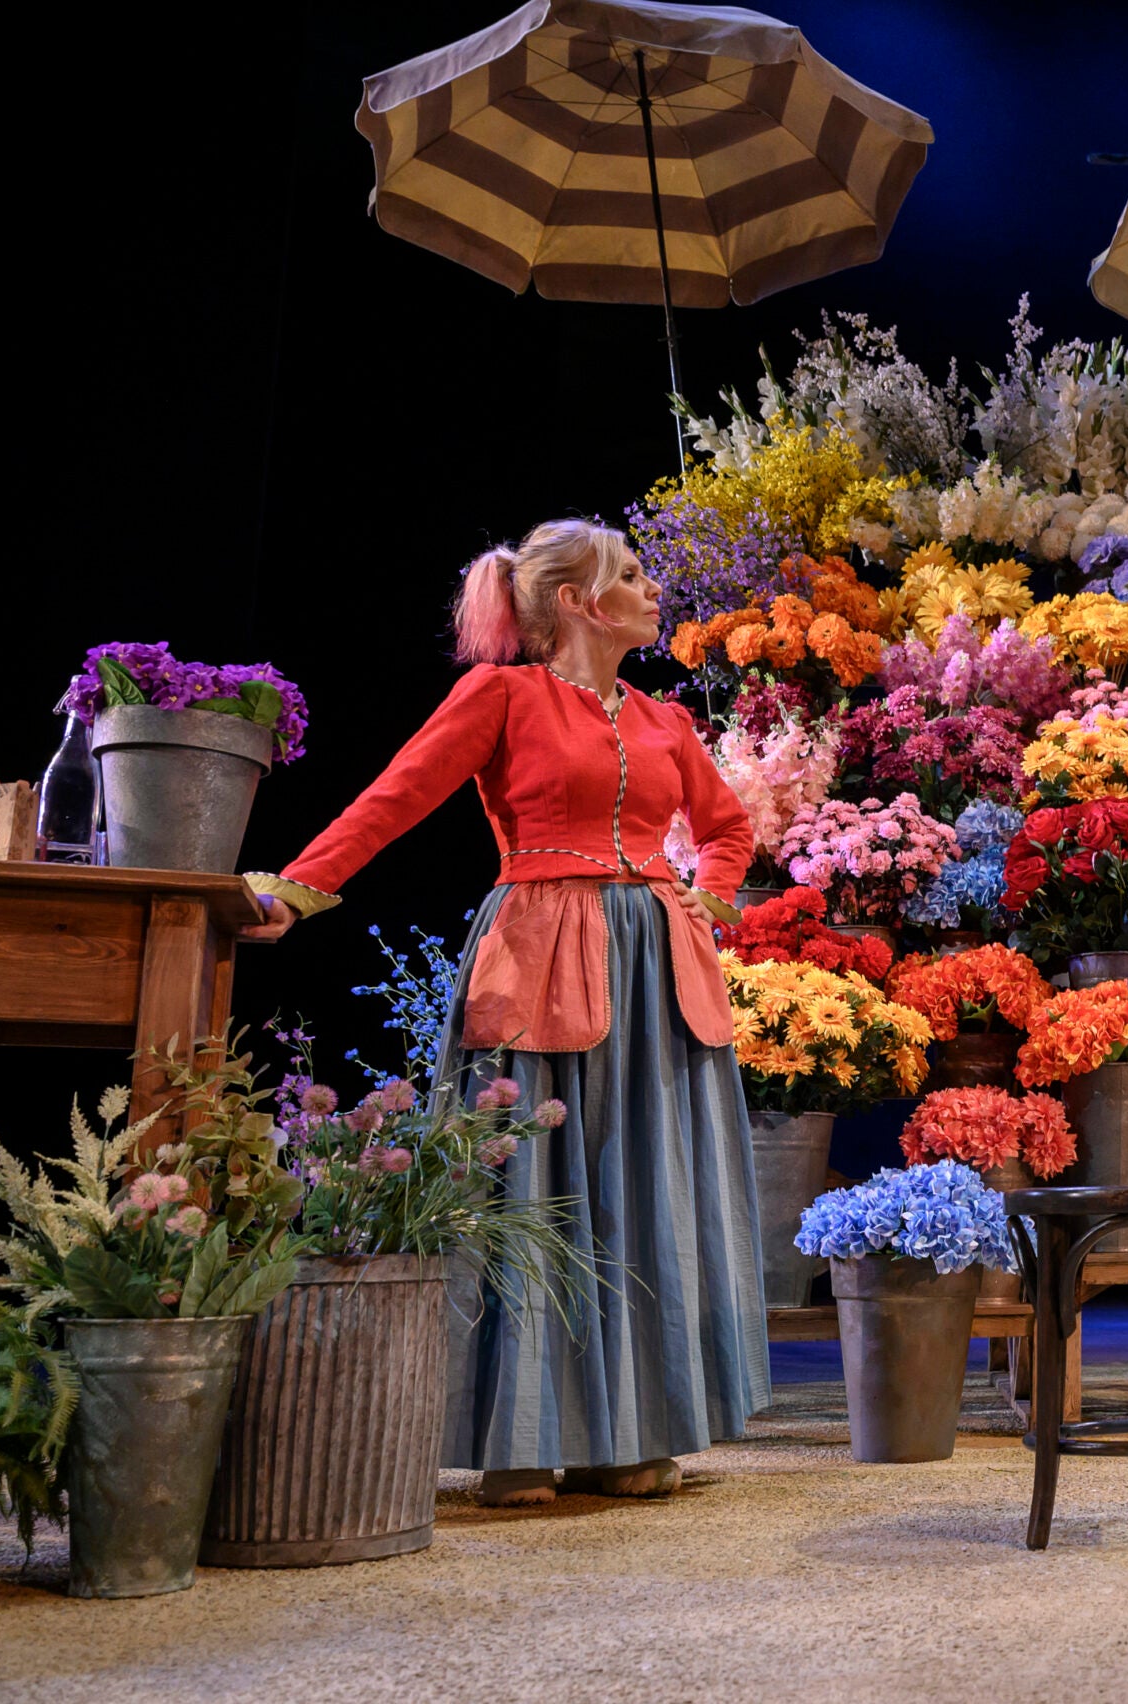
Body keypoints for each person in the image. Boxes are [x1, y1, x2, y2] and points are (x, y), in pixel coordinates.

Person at [244, 518, 769, 1506]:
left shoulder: (665, 722)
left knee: (643, 1190)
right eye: (631, 574)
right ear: (577, 603)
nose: (653, 590)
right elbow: (393, 798)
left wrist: (715, 892)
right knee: (531, 1190)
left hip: (657, 969)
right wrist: (297, 891)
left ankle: (634, 1435)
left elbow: (727, 825)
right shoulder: (501, 696)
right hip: (541, 954)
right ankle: (520, 1439)